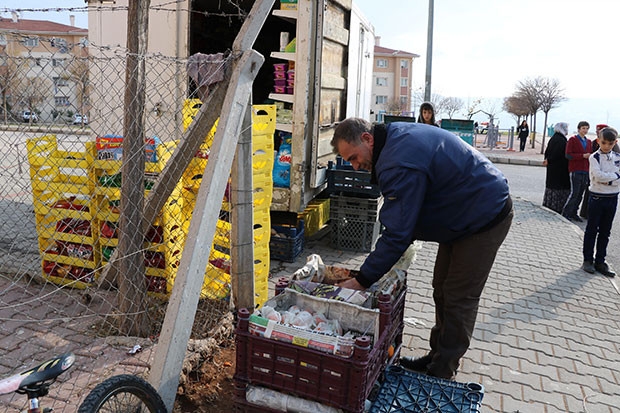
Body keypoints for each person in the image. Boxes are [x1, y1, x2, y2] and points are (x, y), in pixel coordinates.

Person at [330, 118, 513, 380]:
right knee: (442, 288)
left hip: (484, 217)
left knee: (459, 297)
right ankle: (436, 356)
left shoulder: (398, 161)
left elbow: (398, 233)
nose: (355, 166)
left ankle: (442, 372)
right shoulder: (393, 138)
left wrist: (362, 280)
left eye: (354, 157)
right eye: (349, 161)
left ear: (368, 139)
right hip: (461, 215)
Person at [581, 127, 620, 277]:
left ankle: (600, 261)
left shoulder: (617, 157)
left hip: (612, 198)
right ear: (598, 141)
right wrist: (615, 177)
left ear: (614, 143)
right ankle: (588, 260)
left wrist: (610, 179)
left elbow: (607, 177)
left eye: (610, 143)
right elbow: (598, 176)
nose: (606, 146)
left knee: (605, 231)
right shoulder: (594, 157)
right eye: (604, 143)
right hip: (597, 197)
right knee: (592, 230)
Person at [562, 121, 592, 222]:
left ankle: (574, 212)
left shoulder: (588, 142)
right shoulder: (573, 140)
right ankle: (566, 212)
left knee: (580, 194)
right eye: (583, 128)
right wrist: (582, 156)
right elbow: (568, 155)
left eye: (587, 128)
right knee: (574, 193)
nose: (585, 130)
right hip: (576, 169)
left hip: (585, 170)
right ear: (579, 129)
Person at [542, 122, 571, 214]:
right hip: (559, 169)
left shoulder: (555, 138)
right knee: (558, 188)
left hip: (553, 168)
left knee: (552, 186)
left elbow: (547, 152)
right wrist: (549, 160)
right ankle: (557, 207)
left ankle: (549, 205)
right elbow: (556, 154)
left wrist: (547, 160)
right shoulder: (561, 140)